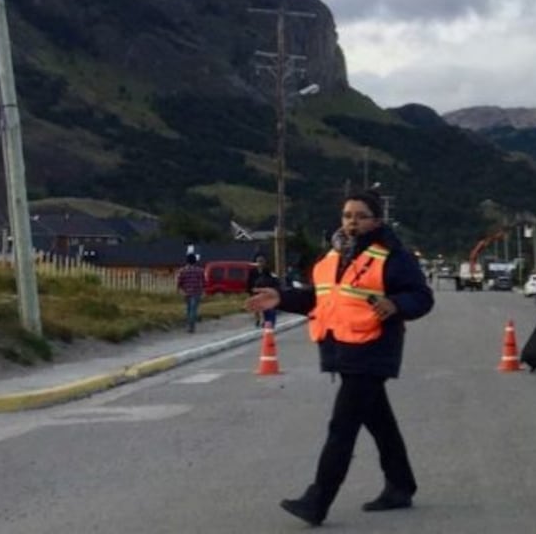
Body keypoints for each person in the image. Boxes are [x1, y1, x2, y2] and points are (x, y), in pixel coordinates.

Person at [246, 190, 434, 526]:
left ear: (376, 221)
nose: (352, 222)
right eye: (347, 215)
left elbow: (421, 296)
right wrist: (281, 298)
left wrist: (396, 305)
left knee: (342, 427)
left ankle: (318, 500)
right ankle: (401, 485)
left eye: (361, 216)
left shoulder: (392, 256)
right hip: (342, 347)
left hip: (374, 348)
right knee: (379, 422)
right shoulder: (333, 256)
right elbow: (318, 298)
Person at [247, 253, 280, 327]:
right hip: (255, 291)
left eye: (261, 261)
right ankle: (257, 319)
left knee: (264, 307)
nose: (260, 263)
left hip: (265, 292)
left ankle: (265, 321)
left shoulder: (267, 271)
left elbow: (273, 280)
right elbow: (249, 281)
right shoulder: (253, 271)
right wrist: (250, 290)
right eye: (258, 261)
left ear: (264, 262)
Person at [176, 253, 205, 333]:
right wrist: (203, 291)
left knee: (188, 309)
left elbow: (179, 282)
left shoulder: (183, 270)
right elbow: (203, 282)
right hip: (196, 292)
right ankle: (191, 326)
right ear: (195, 261)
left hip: (186, 292)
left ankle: (189, 324)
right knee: (194, 309)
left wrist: (179, 290)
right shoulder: (200, 270)